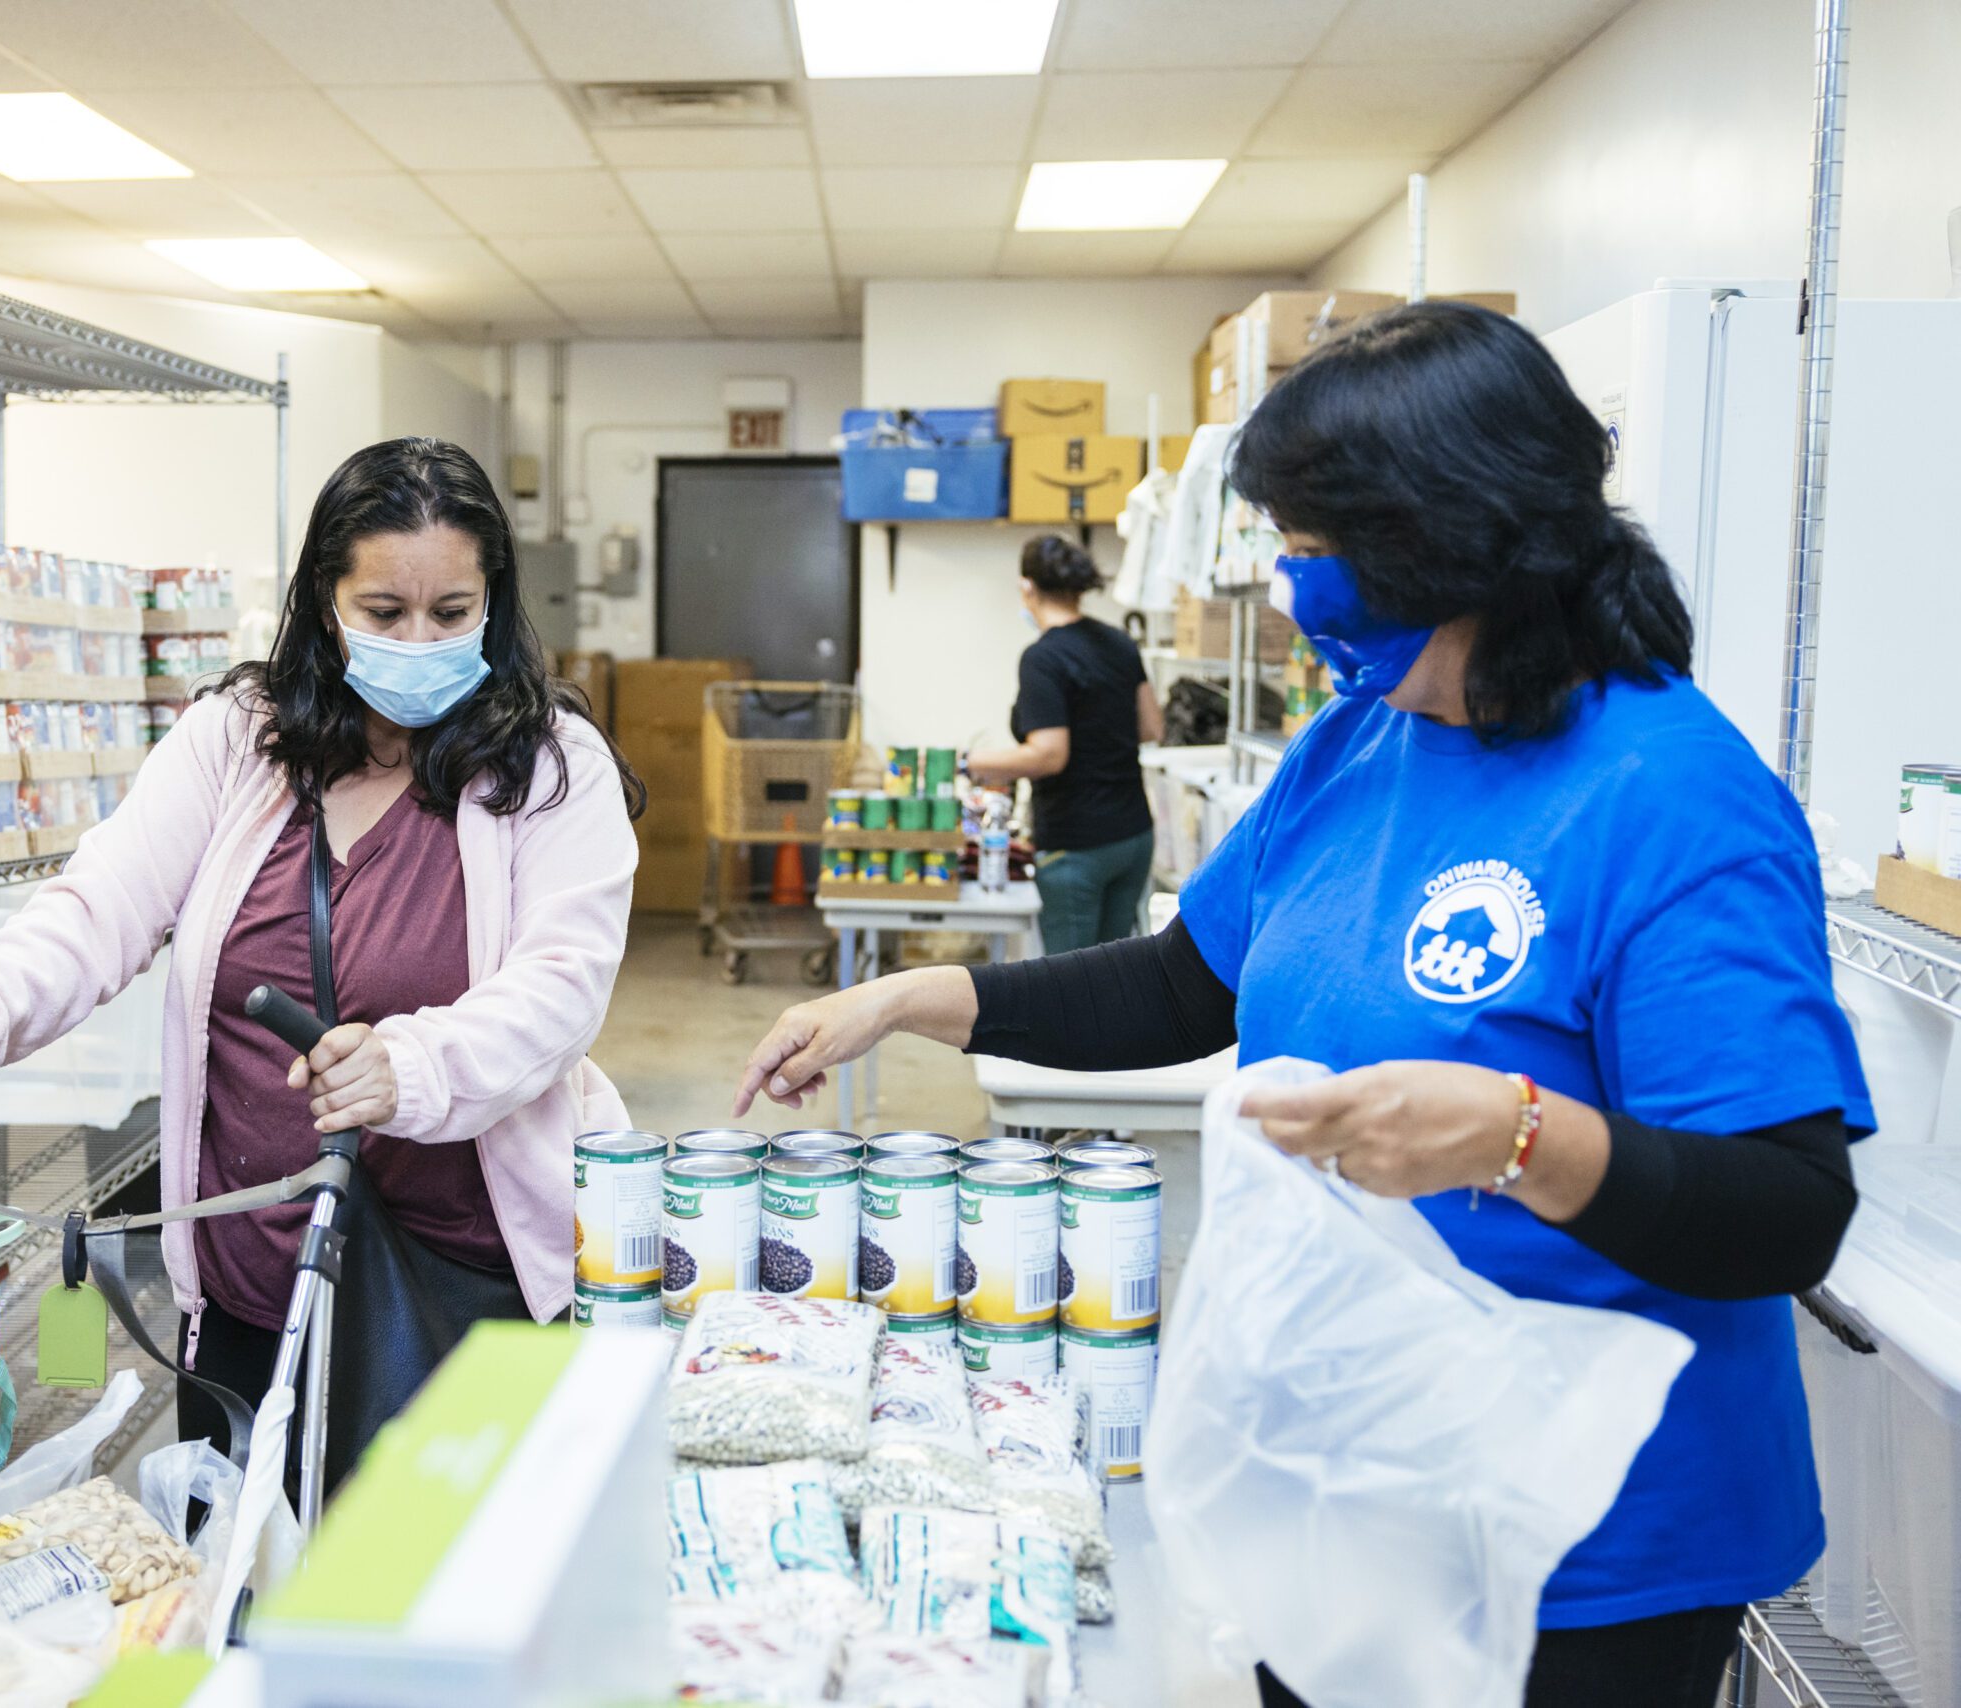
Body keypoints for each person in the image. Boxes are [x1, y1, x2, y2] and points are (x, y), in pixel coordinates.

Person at [735, 302, 1868, 1708]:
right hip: (1348, 1487)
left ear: (1449, 541)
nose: (1285, 587)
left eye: (1313, 553)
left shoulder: (1676, 800)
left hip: (1579, 1555)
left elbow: (1787, 1207)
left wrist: (1516, 1137)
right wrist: (914, 997)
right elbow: (1176, 985)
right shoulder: (1358, 742)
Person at [0, 437, 644, 1486]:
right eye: (383, 612)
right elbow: (101, 905)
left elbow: (559, 990)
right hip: (250, 1286)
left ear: (492, 606)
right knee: (245, 1599)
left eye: (450, 613)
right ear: (325, 598)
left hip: (462, 1286)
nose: (417, 639)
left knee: (428, 1608)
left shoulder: (551, 768)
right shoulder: (237, 738)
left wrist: (410, 1067)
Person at [965, 535, 1160, 952]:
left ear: (1027, 587)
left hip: (1078, 845)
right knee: (1117, 971)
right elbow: (1151, 726)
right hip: (1133, 836)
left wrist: (971, 762)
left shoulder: (1043, 658)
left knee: (1070, 985)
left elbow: (1050, 755)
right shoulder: (1119, 642)